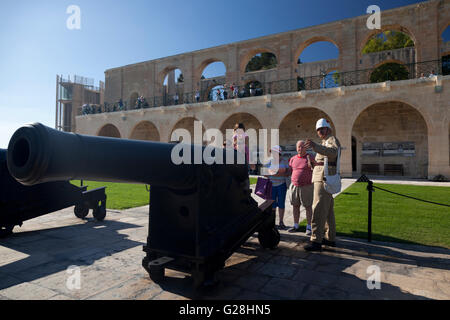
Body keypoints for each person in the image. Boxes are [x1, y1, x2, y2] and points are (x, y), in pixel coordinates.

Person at [303, 118, 341, 251]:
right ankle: (330, 237)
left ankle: (316, 240)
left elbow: (333, 152)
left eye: (322, 129)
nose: (320, 131)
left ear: (328, 129)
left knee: (318, 209)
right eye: (318, 130)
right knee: (328, 211)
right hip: (321, 176)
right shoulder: (325, 141)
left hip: (323, 179)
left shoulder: (332, 140)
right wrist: (313, 163)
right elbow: (324, 160)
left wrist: (315, 146)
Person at [287, 140, 314, 235]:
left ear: (306, 148)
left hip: (306, 186)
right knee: (295, 206)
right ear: (296, 148)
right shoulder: (293, 159)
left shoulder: (310, 157)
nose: (300, 148)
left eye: (302, 146)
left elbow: (315, 169)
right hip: (294, 186)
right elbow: (290, 171)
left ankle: (309, 227)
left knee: (308, 206)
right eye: (299, 147)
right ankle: (295, 225)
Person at [262, 145, 289, 230]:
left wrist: (273, 172)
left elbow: (287, 172)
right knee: (272, 204)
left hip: (281, 185)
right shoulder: (269, 161)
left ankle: (281, 222)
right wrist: (278, 172)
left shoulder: (284, 161)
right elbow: (264, 173)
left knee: (281, 204)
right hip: (271, 185)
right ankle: (272, 221)